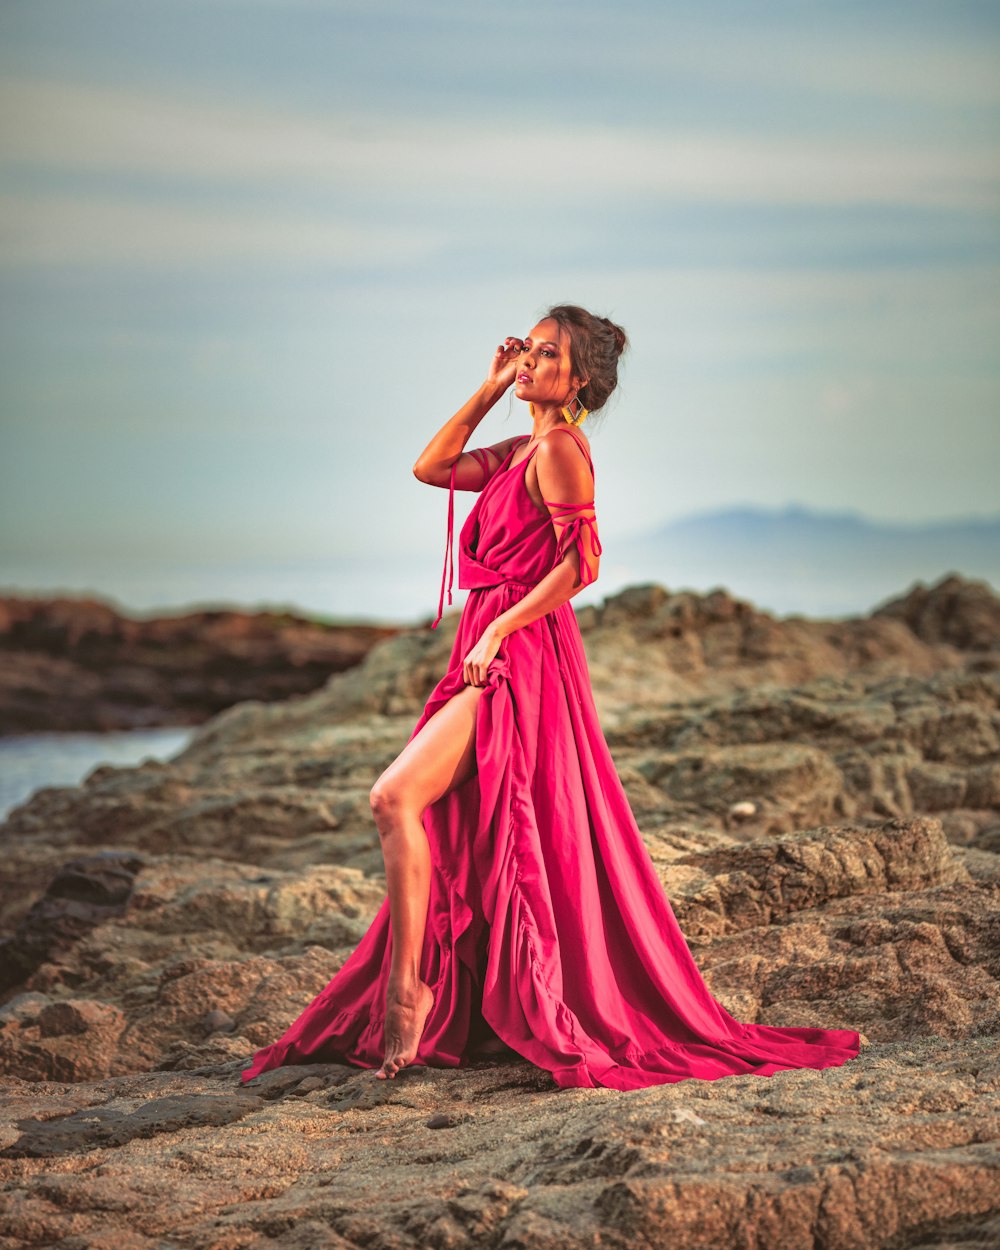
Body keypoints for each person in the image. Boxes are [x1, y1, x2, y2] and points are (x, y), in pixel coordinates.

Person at [240, 304, 861, 1090]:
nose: (529, 361)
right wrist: (491, 385)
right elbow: (430, 468)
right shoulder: (518, 448)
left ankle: (407, 992)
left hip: (520, 654)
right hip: (491, 642)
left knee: (395, 797)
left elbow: (585, 563)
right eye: (527, 350)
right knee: (426, 809)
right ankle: (427, 988)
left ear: (581, 380)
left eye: (545, 355)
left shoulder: (563, 447)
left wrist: (501, 631)